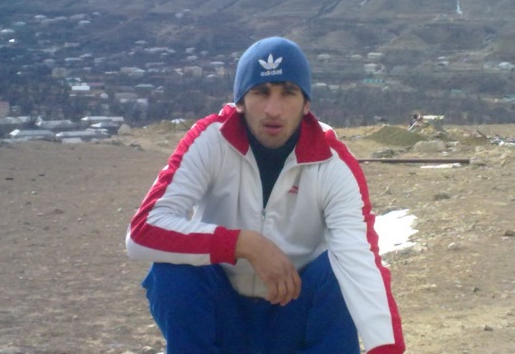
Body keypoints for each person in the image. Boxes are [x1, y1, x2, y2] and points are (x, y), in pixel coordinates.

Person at [125, 37, 405, 354]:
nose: (273, 109)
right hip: (223, 314)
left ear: (306, 103)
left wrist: (387, 350)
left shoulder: (332, 162)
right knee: (171, 271)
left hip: (295, 314)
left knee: (339, 270)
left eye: (288, 92)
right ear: (240, 101)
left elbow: (361, 261)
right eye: (261, 92)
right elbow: (143, 231)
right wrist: (244, 244)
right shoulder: (210, 141)